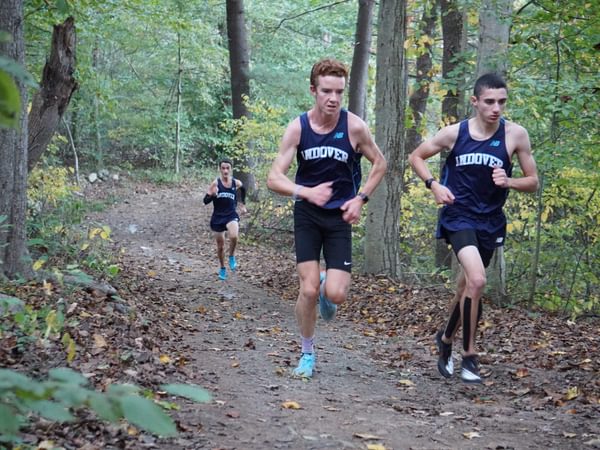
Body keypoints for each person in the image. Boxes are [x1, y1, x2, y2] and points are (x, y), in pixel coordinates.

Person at [408, 73, 539, 383]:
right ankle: (469, 356)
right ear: (475, 101)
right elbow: (416, 157)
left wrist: (510, 181)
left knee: (466, 288)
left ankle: (445, 339)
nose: (496, 108)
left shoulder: (515, 135)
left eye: (502, 102)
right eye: (490, 102)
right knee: (477, 281)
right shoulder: (455, 133)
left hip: (491, 220)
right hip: (458, 216)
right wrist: (434, 185)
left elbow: (533, 182)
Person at [267, 58, 387, 378]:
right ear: (313, 91)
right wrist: (305, 192)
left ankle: (325, 284)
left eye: (339, 92)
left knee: (336, 295)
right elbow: (274, 178)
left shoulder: (354, 127)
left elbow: (380, 163)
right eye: (326, 91)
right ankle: (307, 353)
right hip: (307, 214)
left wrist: (361, 199)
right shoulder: (298, 128)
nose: (333, 98)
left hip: (338, 218)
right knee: (306, 290)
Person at [203, 158, 247, 280]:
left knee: (234, 236)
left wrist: (242, 204)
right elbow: (205, 201)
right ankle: (222, 268)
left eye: (228, 168)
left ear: (231, 169)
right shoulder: (215, 183)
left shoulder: (235, 183)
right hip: (218, 217)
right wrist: (213, 195)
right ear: (220, 169)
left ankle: (232, 256)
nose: (225, 171)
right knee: (220, 246)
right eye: (223, 168)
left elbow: (243, 190)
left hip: (231, 214)